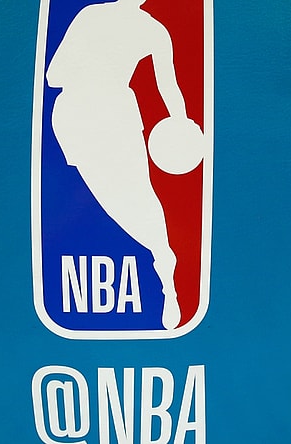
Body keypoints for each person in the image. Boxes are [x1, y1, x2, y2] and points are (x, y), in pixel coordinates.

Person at [47, 0, 196, 330]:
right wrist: (181, 121)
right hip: (91, 113)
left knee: (130, 195)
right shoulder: (149, 29)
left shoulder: (100, 18)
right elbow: (167, 87)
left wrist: (182, 126)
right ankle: (162, 258)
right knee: (117, 197)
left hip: (90, 112)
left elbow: (55, 74)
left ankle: (164, 266)